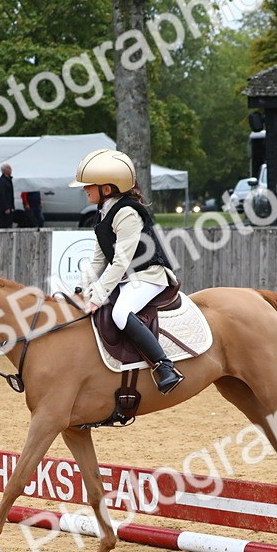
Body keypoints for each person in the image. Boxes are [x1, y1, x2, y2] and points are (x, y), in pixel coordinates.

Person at [73, 149, 183, 394]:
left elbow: (120, 262)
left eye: (89, 185)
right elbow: (98, 260)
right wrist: (81, 288)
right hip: (129, 278)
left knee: (121, 313)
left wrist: (97, 297)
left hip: (149, 275)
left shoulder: (127, 213)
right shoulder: (103, 212)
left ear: (107, 188)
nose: (85, 189)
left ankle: (165, 366)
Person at [0, 163, 15, 229]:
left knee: (9, 224)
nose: (10, 170)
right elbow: (2, 195)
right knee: (4, 225)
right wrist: (6, 207)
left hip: (10, 207)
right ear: (4, 170)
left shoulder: (9, 180)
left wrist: (12, 207)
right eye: (8, 168)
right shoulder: (2, 181)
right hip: (3, 209)